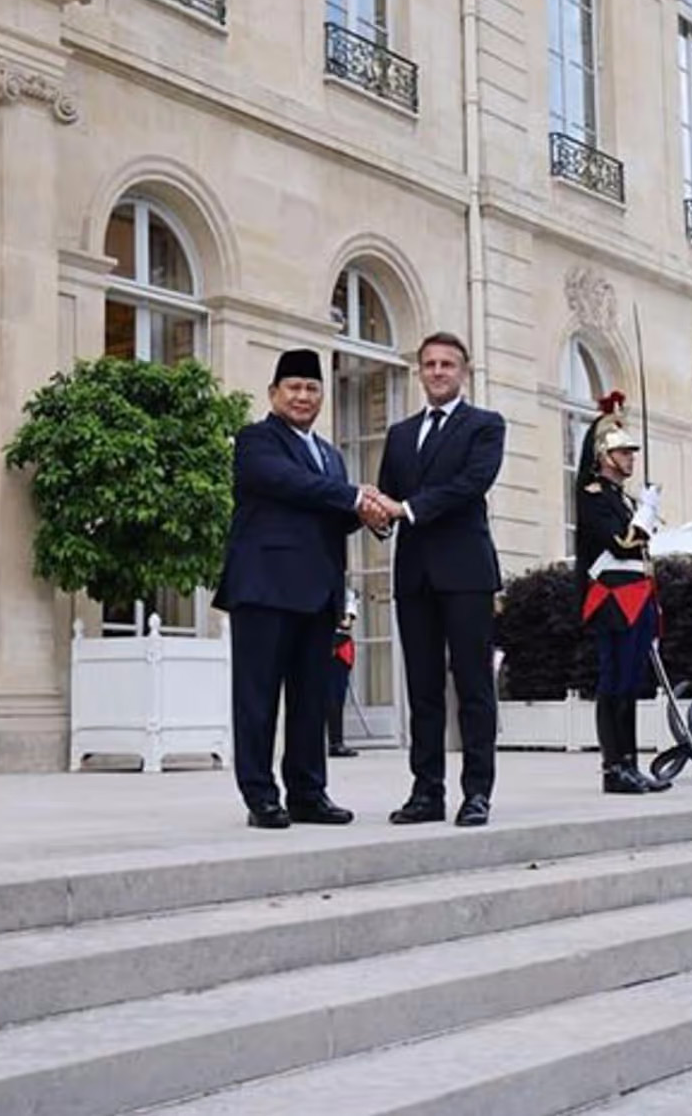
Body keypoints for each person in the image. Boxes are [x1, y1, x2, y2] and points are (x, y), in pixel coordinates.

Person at [214, 347, 367, 829]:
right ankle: (260, 795)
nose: (303, 396)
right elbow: (285, 483)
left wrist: (370, 515)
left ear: (322, 395)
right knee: (258, 698)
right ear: (274, 394)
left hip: (318, 592)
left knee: (311, 699)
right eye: (294, 388)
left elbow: (334, 515)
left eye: (312, 388)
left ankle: (307, 792)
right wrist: (357, 497)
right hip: (264, 587)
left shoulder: (331, 456)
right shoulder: (256, 440)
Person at [373, 332, 504, 828]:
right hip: (414, 576)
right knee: (422, 688)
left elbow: (472, 485)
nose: (438, 371)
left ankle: (477, 793)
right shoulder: (401, 434)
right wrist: (376, 514)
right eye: (429, 364)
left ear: (464, 372)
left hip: (466, 572)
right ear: (419, 371)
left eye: (448, 364)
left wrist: (405, 509)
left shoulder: (485, 426)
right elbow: (389, 494)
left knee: (473, 687)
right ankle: (426, 791)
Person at [574, 394, 671, 794]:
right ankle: (614, 768)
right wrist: (646, 515)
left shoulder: (622, 499)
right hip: (612, 599)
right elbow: (621, 545)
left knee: (631, 682)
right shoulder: (593, 495)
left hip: (635, 597)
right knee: (615, 681)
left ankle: (630, 762)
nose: (630, 458)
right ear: (603, 455)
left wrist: (641, 510)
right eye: (622, 452)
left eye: (631, 452)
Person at [327, 588, 360, 759]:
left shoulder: (347, 594)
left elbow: (346, 622)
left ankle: (335, 741)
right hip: (328, 645)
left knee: (336, 698)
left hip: (340, 647)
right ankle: (332, 742)